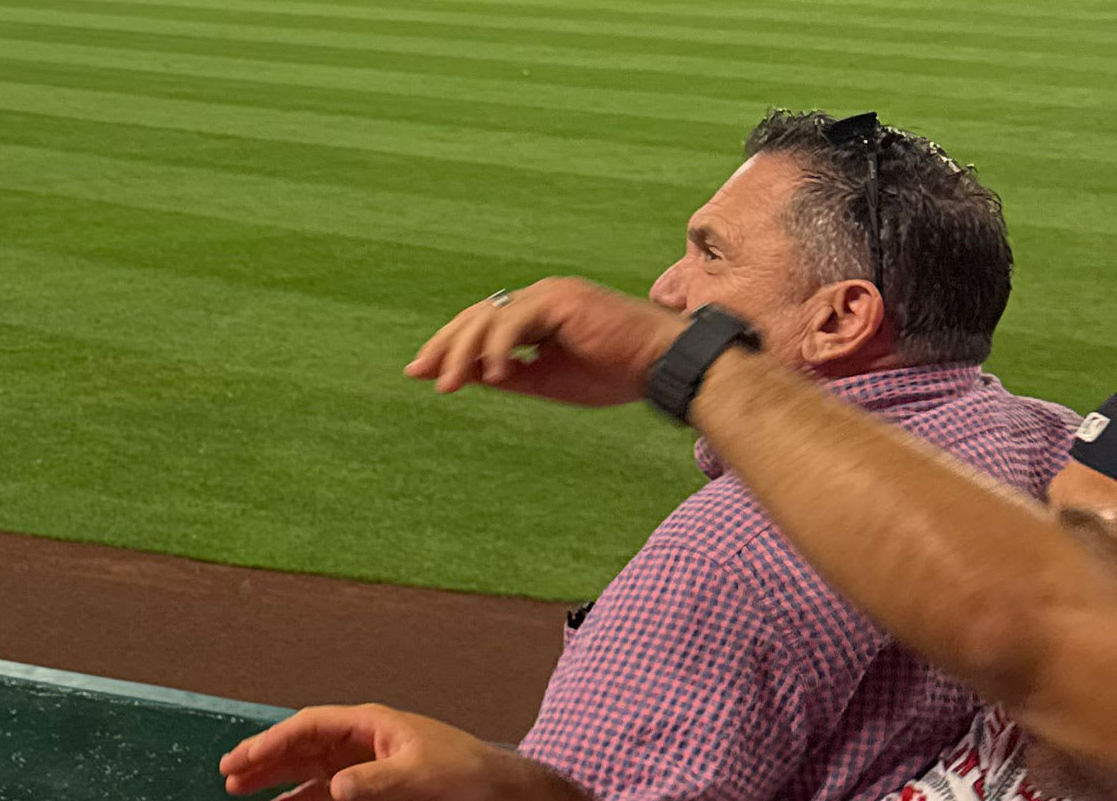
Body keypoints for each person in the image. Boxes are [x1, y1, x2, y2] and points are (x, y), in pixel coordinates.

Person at [219, 278, 1117, 800]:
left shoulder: (731, 555)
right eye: (1058, 533)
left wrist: (684, 362)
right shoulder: (1016, 754)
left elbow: (1035, 630)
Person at [425, 112, 1071, 801]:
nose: (667, 290)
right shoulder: (1063, 452)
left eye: (711, 254)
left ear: (840, 319)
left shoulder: (725, 557)